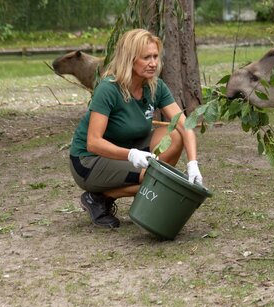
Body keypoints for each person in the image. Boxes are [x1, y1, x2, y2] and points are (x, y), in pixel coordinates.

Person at [69, 29, 204, 228]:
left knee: (174, 135)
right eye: (146, 57)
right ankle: (100, 197)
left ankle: (106, 197)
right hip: (88, 161)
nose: (153, 63)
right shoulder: (108, 89)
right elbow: (94, 142)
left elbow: (185, 126)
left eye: (156, 56)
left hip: (127, 151)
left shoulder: (155, 87)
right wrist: (131, 155)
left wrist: (193, 163)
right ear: (130, 59)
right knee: (154, 178)